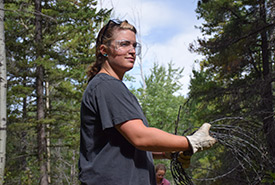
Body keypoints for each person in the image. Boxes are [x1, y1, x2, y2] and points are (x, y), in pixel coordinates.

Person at [78, 19, 217, 185]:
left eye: (134, 46)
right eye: (124, 44)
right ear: (104, 50)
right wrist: (190, 142)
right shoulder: (106, 86)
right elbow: (140, 137)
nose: (132, 51)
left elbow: (126, 146)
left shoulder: (111, 87)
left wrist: (168, 153)